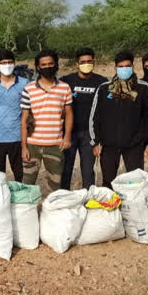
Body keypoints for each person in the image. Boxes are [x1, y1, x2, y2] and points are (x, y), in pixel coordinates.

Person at [89, 51, 148, 188]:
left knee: (136, 182)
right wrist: (96, 141)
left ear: (133, 66)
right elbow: (95, 116)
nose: (124, 69)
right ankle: (109, 208)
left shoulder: (142, 88)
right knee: (108, 181)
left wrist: (142, 140)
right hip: (108, 145)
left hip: (134, 145)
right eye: (121, 66)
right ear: (115, 68)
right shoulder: (104, 88)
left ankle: (132, 209)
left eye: (127, 66)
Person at [21, 50, 73, 192]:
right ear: (37, 67)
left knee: (55, 185)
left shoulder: (64, 88)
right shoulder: (29, 89)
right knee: (28, 183)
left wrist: (67, 137)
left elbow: (69, 114)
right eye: (43, 64)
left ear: (56, 64)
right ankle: (28, 212)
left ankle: (53, 212)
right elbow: (24, 119)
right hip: (32, 145)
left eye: (50, 63)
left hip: (55, 145)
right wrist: (24, 147)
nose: (47, 67)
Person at [61, 47, 108, 189]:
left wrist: (100, 138)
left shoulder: (102, 82)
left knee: (88, 171)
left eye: (89, 61)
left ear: (93, 62)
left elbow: (105, 110)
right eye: (83, 62)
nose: (86, 64)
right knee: (65, 169)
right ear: (77, 64)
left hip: (90, 134)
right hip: (69, 132)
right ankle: (63, 199)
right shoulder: (66, 81)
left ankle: (89, 199)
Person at [0, 49, 28, 182]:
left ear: (14, 63)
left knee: (21, 175)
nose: (7, 65)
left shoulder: (24, 83)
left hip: (18, 137)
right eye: (3, 62)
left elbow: (27, 109)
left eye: (10, 62)